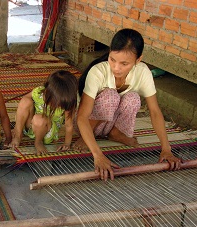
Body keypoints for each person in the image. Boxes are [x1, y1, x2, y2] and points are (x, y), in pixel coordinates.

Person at [74, 28, 181, 180]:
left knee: (133, 98)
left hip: (111, 123)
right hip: (87, 123)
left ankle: (115, 133)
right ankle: (87, 137)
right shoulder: (98, 72)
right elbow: (82, 117)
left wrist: (166, 149)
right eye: (112, 59)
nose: (116, 68)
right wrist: (98, 155)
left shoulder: (143, 72)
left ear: (138, 60)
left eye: (124, 63)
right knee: (111, 96)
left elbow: (155, 111)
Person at [10, 70, 78, 155]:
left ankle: (38, 141)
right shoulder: (39, 92)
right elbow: (23, 105)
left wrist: (67, 144)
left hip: (47, 132)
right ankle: (18, 134)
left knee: (39, 118)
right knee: (25, 101)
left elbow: (69, 126)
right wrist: (17, 127)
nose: (58, 105)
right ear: (47, 91)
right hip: (31, 127)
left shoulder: (66, 104)